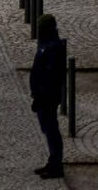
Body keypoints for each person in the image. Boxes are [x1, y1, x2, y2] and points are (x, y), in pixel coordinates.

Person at [30, 13, 67, 179]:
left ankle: (56, 165)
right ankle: (53, 161)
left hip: (47, 97)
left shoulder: (53, 47)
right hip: (42, 95)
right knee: (47, 129)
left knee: (51, 129)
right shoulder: (47, 44)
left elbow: (50, 75)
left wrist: (41, 95)